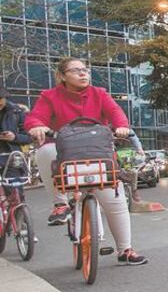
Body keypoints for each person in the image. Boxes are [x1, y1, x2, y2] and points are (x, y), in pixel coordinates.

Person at [24, 58, 148, 265]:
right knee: (45, 151)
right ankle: (60, 204)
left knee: (115, 201)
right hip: (65, 154)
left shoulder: (99, 93)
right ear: (62, 76)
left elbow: (116, 112)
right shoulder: (49, 96)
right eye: (76, 71)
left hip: (98, 154)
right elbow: (36, 117)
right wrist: (36, 126)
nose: (83, 74)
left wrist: (121, 126)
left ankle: (125, 249)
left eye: (85, 70)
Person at [0, 87, 32, 199]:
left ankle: (19, 214)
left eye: (2, 98)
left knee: (17, 195)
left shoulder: (16, 111)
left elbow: (29, 137)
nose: (0, 101)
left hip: (12, 158)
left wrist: (14, 137)